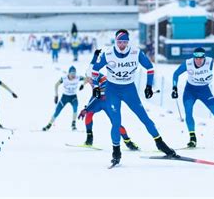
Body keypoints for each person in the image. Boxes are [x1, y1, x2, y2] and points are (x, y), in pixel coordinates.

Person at [92, 29, 178, 166]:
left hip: (129, 89)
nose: (122, 45)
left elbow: (150, 68)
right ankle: (116, 151)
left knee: (144, 117)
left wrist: (148, 86)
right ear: (115, 42)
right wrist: (96, 87)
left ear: (128, 42)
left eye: (125, 42)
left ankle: (161, 144)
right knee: (116, 122)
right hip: (112, 90)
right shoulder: (107, 53)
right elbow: (95, 70)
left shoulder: (135, 52)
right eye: (119, 42)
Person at [77, 49, 139, 150]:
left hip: (106, 100)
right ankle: (89, 138)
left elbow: (99, 95)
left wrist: (87, 108)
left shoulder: (104, 80)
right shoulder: (91, 74)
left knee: (115, 123)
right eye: (87, 78)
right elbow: (91, 65)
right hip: (97, 98)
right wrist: (95, 55)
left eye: (90, 79)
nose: (88, 81)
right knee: (89, 114)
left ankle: (128, 142)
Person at [42, 66, 86, 131]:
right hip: (65, 97)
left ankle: (73, 124)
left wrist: (83, 85)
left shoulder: (78, 77)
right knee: (57, 111)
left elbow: (87, 78)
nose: (73, 76)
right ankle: (49, 124)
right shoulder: (64, 78)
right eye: (72, 74)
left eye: (74, 74)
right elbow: (56, 85)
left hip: (73, 97)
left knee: (75, 107)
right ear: (68, 73)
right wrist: (56, 95)